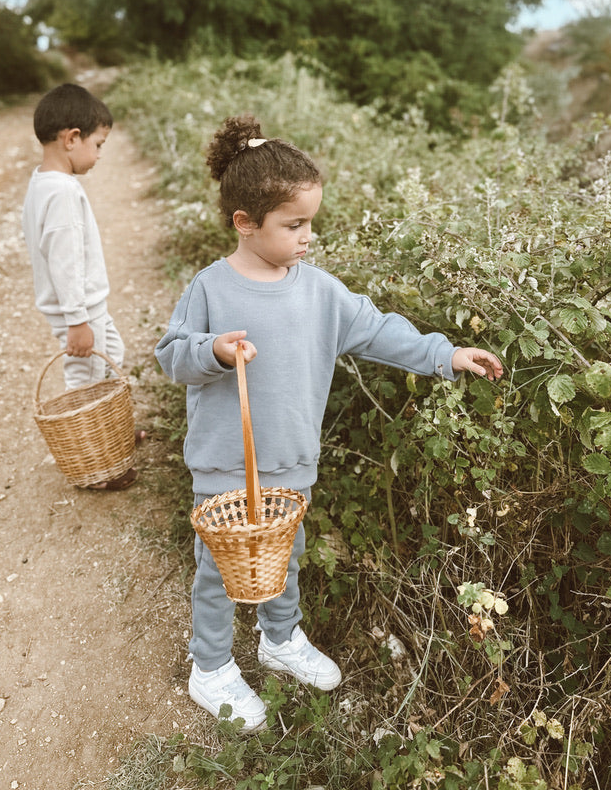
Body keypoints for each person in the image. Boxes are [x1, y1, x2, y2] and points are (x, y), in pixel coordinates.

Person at [155, 114, 503, 732]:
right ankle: (209, 667)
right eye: (294, 225)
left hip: (291, 459)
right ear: (245, 223)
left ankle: (279, 639)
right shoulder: (210, 288)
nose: (307, 236)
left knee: (285, 554)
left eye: (309, 222)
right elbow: (170, 355)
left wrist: (446, 355)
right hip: (223, 462)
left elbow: (378, 330)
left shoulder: (319, 291)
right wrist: (213, 352)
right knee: (219, 567)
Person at [22, 83, 140, 491]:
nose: (100, 154)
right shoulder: (62, 192)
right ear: (71, 139)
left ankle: (110, 433)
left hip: (85, 307)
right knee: (86, 374)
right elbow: (65, 260)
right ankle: (94, 461)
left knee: (111, 358)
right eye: (99, 143)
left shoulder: (43, 183)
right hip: (80, 310)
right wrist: (77, 321)